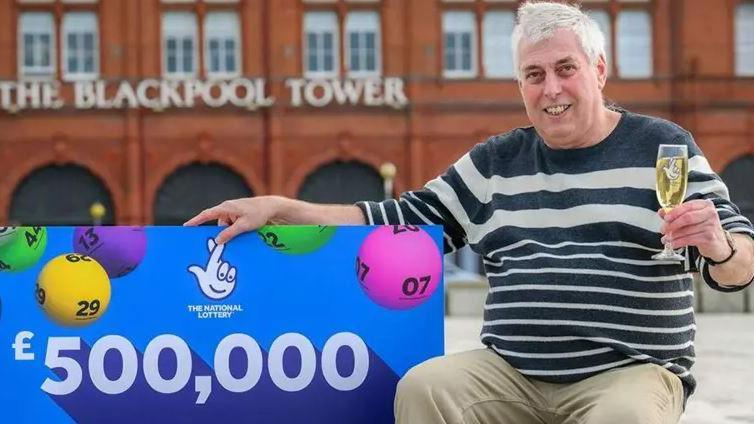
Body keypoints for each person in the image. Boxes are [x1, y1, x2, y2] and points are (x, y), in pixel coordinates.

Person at [185, 2, 754, 422]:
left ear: (599, 70)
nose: (550, 88)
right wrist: (282, 208)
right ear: (520, 85)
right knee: (423, 389)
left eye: (565, 68)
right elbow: (397, 218)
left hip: (629, 374)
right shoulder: (495, 161)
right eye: (534, 75)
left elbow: (739, 269)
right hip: (512, 373)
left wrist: (718, 245)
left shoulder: (663, 147)